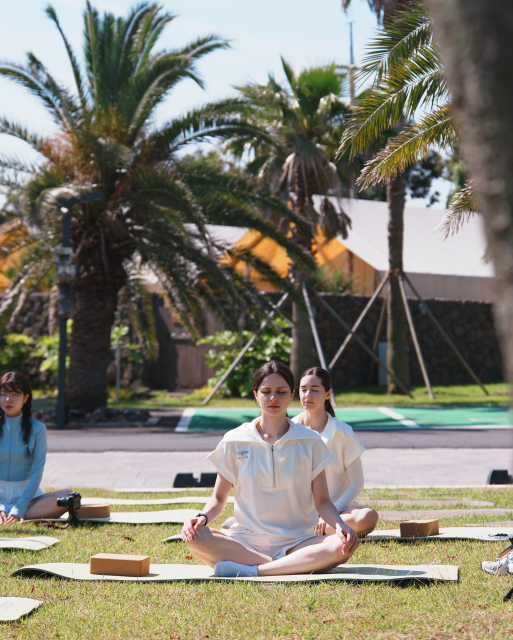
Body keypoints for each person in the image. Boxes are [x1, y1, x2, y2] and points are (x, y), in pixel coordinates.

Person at [182, 361, 360, 577]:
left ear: (292, 395)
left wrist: (340, 526)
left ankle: (256, 571)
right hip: (245, 542)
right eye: (266, 391)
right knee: (196, 535)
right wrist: (201, 517)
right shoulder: (234, 440)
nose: (273, 398)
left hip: (299, 542)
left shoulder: (311, 441)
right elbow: (218, 500)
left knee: (338, 545)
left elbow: (322, 501)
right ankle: (286, 566)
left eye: (281, 391)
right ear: (256, 394)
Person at [292, 367, 378, 538]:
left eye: (315, 390)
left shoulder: (343, 432)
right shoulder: (289, 430)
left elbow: (356, 483)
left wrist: (330, 514)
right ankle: (312, 529)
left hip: (339, 511)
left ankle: (318, 530)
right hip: (299, 514)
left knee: (368, 516)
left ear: (328, 393)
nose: (307, 394)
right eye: (303, 390)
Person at [0, 371, 72, 524]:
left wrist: (20, 507)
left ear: (26, 397)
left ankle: (17, 514)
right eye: (3, 394)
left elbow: (37, 472)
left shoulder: (38, 429)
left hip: (27, 497)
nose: (8, 399)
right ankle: (7, 514)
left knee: (69, 496)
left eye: (15, 394)